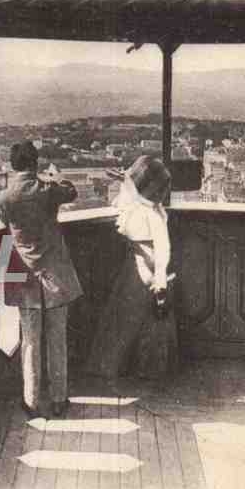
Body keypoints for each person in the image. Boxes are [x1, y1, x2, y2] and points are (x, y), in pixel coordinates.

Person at [0, 141, 83, 418]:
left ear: (13, 165)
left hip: (24, 277)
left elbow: (4, 221)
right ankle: (59, 399)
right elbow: (71, 191)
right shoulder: (47, 191)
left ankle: (31, 401)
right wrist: (55, 178)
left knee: (30, 341)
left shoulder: (4, 197)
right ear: (34, 163)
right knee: (57, 339)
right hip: (56, 274)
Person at [84, 155, 178, 380]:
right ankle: (149, 370)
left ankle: (109, 368)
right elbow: (162, 250)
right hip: (150, 266)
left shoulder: (132, 206)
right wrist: (161, 280)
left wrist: (124, 179)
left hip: (134, 265)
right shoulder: (154, 213)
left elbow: (129, 194)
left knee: (122, 321)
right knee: (150, 322)